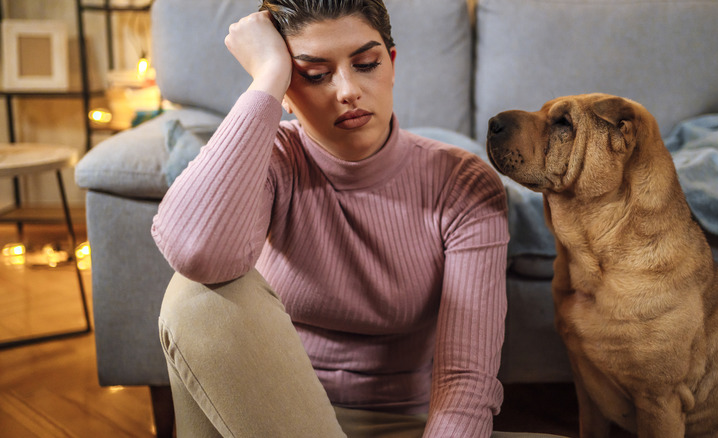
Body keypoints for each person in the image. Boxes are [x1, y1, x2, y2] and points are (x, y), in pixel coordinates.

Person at [153, 1, 524, 436]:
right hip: (265, 414)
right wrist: (268, 78)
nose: (348, 90)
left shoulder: (463, 183)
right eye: (314, 75)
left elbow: (466, 380)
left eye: (366, 64)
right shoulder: (274, 159)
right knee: (195, 300)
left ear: (391, 63)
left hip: (406, 424)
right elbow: (196, 252)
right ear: (289, 91)